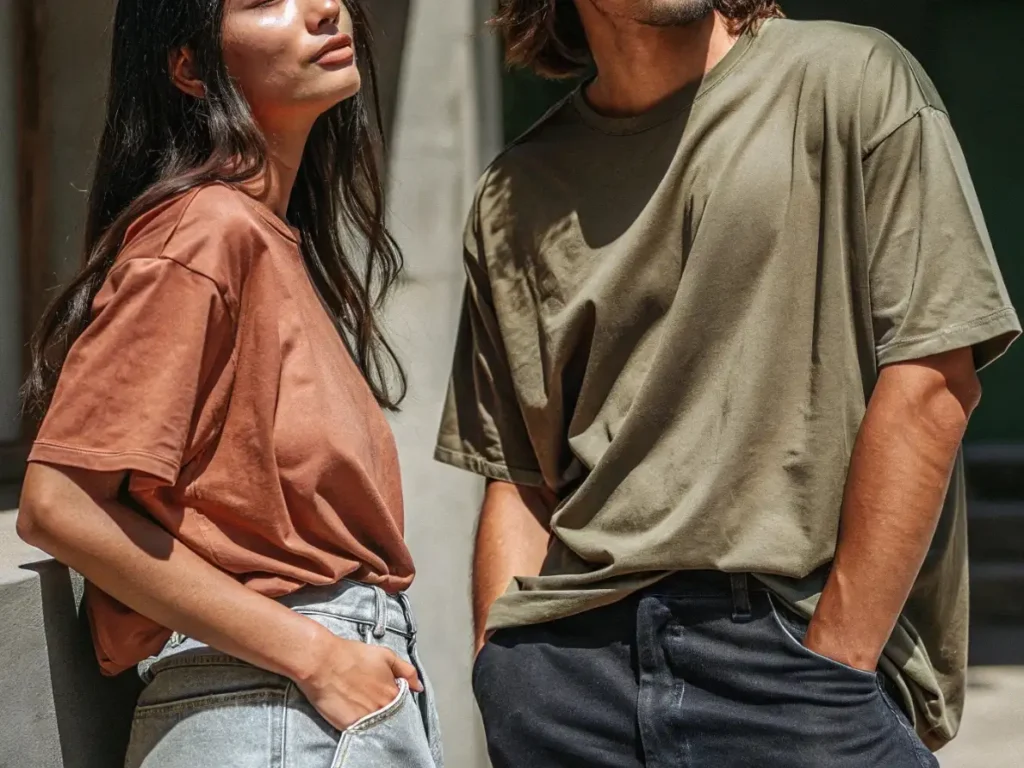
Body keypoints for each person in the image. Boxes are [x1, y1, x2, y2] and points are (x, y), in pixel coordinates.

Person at [435, 1, 1021, 765]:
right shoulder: (517, 190)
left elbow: (932, 383)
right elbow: (517, 476)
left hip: (793, 652)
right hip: (571, 681)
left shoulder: (849, 81)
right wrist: (505, 672)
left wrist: (838, 660)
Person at [16, 1, 442, 766]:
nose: (325, 9)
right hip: (276, 697)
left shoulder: (269, 243)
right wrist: (315, 655)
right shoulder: (207, 232)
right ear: (189, 67)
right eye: (266, 0)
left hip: (303, 694)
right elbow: (58, 503)